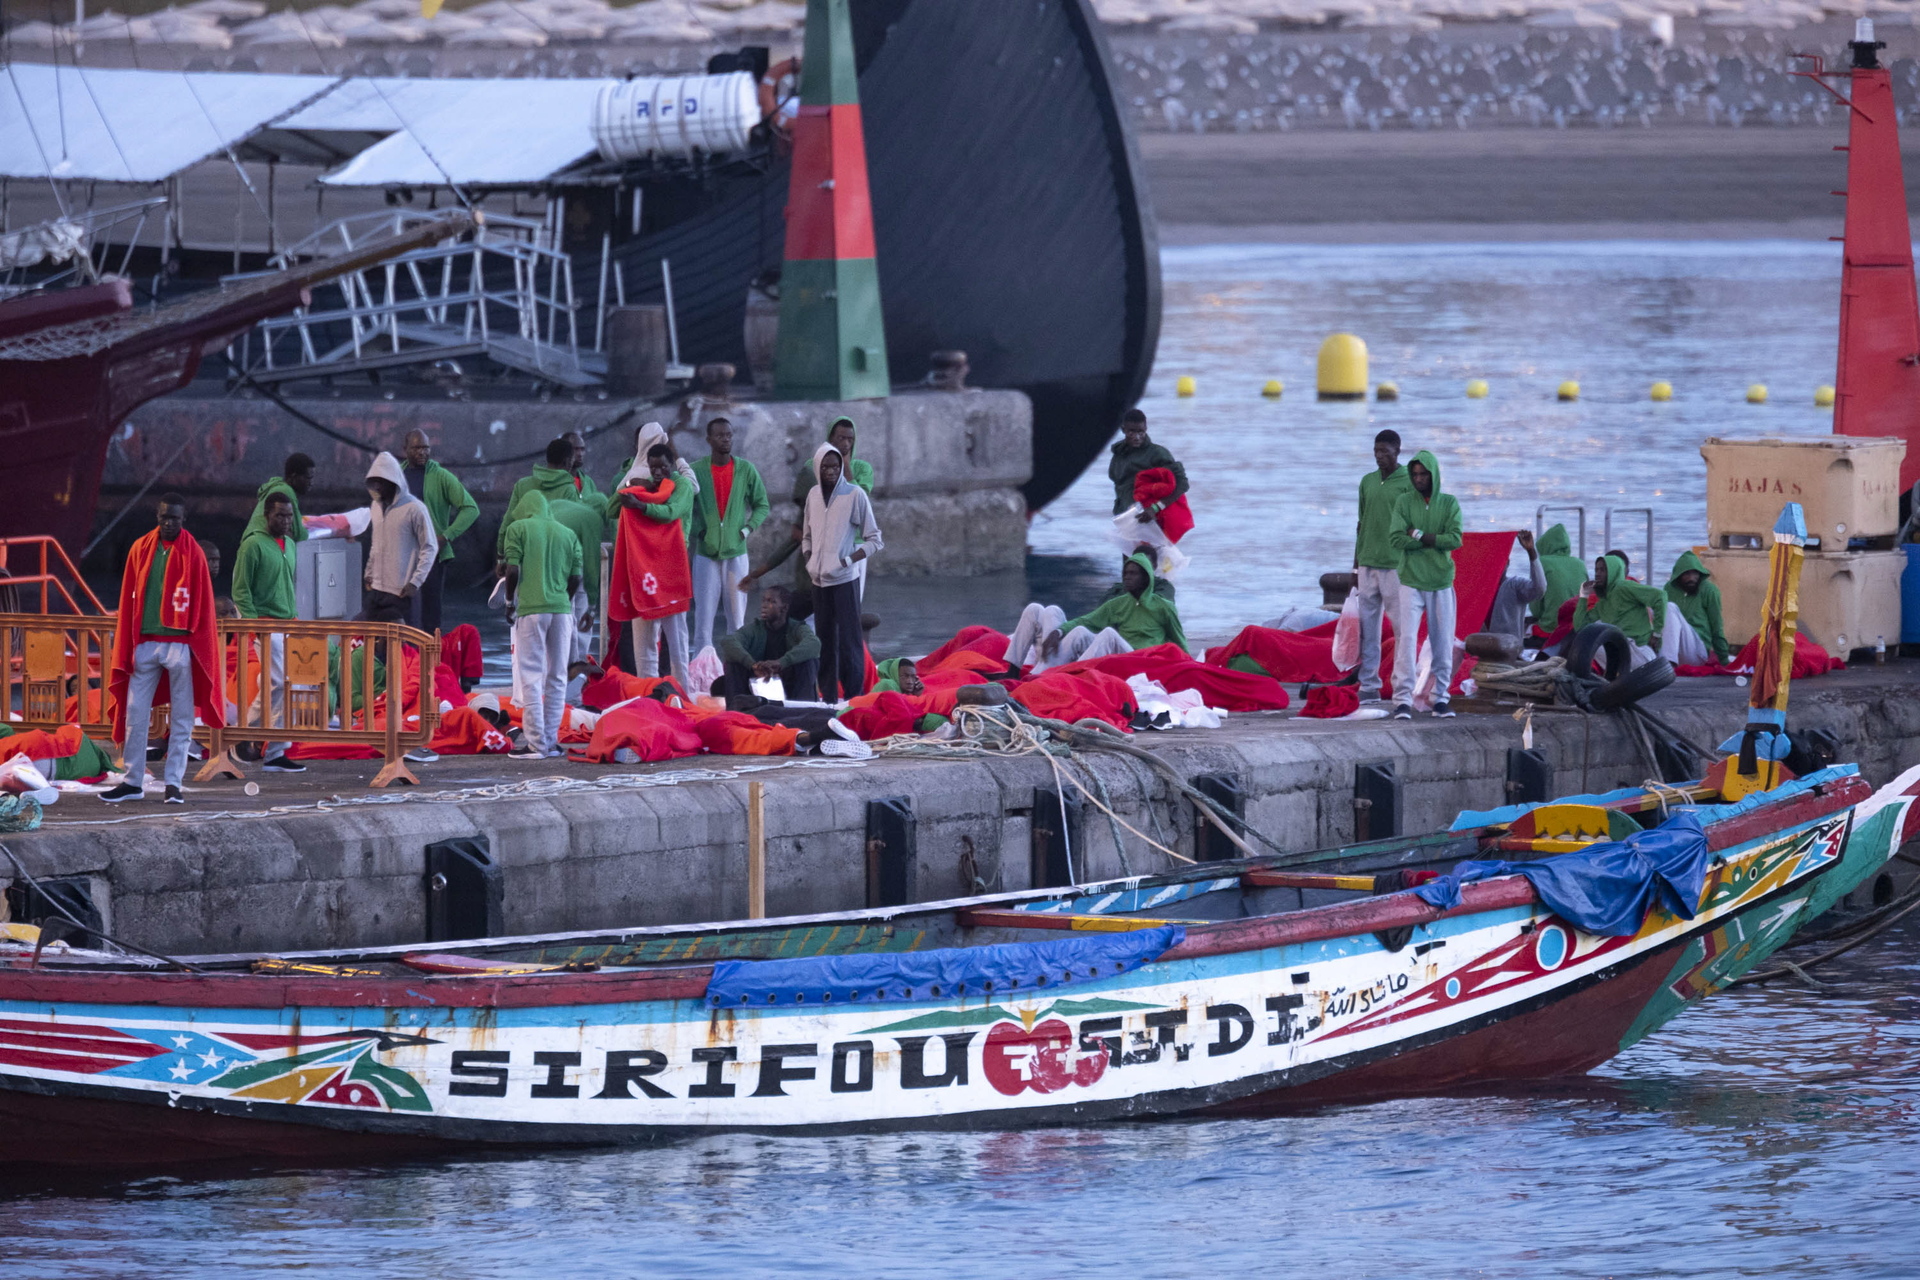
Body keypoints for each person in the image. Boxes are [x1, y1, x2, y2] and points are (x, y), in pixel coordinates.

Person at [102, 496, 222, 804]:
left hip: (180, 644)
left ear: (184, 520)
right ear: (158, 515)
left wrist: (197, 647)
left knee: (182, 719)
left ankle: (174, 783)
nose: (170, 523)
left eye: (176, 519)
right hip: (145, 642)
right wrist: (127, 646)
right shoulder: (139, 549)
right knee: (134, 713)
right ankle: (132, 781)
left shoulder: (194, 552)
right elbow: (127, 602)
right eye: (166, 517)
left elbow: (204, 604)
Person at [737, 417, 872, 602]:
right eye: (841, 438)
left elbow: (859, 503)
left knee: (850, 604)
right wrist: (756, 574)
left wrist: (846, 464)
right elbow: (793, 537)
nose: (846, 444)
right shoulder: (811, 469)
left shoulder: (862, 468)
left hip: (853, 545)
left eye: (850, 439)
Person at [502, 492, 584, 759]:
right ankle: (550, 742)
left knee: (531, 676)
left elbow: (512, 570)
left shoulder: (517, 528)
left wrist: (509, 602)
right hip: (562, 611)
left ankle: (535, 744)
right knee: (558, 677)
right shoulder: (567, 533)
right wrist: (563, 600)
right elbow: (576, 576)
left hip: (531, 611)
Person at [610, 442, 695, 693]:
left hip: (671, 569)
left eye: (663, 467)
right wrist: (630, 486)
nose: (658, 472)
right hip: (645, 567)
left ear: (672, 465)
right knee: (644, 639)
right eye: (654, 467)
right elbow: (613, 508)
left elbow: (671, 512)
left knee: (677, 639)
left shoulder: (683, 486)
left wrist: (642, 505)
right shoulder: (646, 486)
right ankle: (647, 692)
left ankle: (684, 693)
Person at [801, 442, 883, 701]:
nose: (831, 471)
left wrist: (847, 561)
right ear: (817, 468)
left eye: (835, 466)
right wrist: (809, 559)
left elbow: (875, 540)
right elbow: (806, 536)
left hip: (845, 580)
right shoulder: (813, 496)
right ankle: (828, 697)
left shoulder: (855, 494)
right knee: (824, 641)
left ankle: (854, 695)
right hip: (818, 581)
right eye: (825, 466)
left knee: (849, 642)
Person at [1011, 551, 1185, 673]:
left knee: (1108, 633)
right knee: (1079, 630)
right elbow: (1087, 620)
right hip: (1120, 657)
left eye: (1133, 574)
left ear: (1146, 577)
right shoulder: (1118, 603)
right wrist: (1059, 631)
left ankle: (1074, 674)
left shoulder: (1163, 606)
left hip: (1142, 660)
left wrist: (1190, 668)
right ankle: (1037, 672)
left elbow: (1180, 643)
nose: (1127, 577)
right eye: (1125, 573)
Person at [230, 491, 304, 772]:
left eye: (289, 515)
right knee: (277, 682)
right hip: (265, 624)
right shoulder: (252, 546)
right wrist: (252, 626)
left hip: (289, 623)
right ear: (266, 516)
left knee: (288, 684)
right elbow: (240, 589)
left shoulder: (290, 544)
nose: (286, 521)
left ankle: (271, 748)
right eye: (280, 515)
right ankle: (253, 740)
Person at [1387, 450, 1463, 719]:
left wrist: (1418, 535)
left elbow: (1454, 539)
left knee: (1443, 642)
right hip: (1410, 580)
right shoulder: (1404, 502)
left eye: (1423, 474)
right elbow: (1396, 538)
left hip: (1441, 581)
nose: (1419, 479)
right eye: (1415, 474)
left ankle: (1440, 698)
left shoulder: (1449, 503)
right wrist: (1432, 540)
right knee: (1406, 641)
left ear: (1433, 475)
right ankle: (1402, 701)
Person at [688, 417, 770, 655]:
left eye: (729, 435)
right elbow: (685, 509)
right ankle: (701, 672)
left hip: (737, 554)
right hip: (706, 554)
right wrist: (697, 531)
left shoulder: (745, 469)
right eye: (720, 435)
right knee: (704, 617)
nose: (726, 439)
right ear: (709, 439)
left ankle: (738, 667)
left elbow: (762, 504)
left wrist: (747, 529)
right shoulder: (696, 471)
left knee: (737, 619)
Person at [1353, 429, 1415, 704]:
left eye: (1385, 453)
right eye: (1376, 452)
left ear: (1397, 452)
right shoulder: (1367, 481)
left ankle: (1403, 688)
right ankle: (1368, 685)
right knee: (1367, 630)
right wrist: (1355, 565)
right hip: (1368, 564)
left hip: (1396, 566)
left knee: (1402, 630)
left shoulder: (1408, 484)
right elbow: (1361, 523)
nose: (1379, 457)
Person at [401, 429, 479, 635]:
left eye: (426, 447)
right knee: (401, 610)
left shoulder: (441, 476)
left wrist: (446, 536)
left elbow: (471, 508)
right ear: (405, 450)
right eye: (416, 448)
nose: (422, 452)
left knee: (430, 613)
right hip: (402, 554)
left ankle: (431, 660)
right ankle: (404, 659)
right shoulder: (396, 476)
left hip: (432, 554)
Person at [362, 452, 438, 626]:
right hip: (376, 590)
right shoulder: (375, 507)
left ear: (394, 480)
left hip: (402, 592)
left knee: (403, 646)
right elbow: (376, 544)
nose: (378, 486)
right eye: (374, 482)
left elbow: (430, 546)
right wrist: (369, 573)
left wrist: (415, 582)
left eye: (382, 481)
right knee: (373, 643)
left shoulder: (415, 509)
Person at [717, 585, 821, 701]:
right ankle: (737, 709)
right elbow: (729, 641)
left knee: (808, 661)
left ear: (784, 608)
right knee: (733, 662)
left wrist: (781, 662)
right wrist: (752, 665)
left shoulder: (797, 628)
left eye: (771, 601)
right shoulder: (756, 628)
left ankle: (803, 709)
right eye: (764, 601)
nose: (764, 606)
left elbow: (814, 643)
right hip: (760, 682)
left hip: (790, 685)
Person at [1570, 553, 1668, 665]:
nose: (1597, 574)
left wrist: (1657, 634)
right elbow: (1580, 626)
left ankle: (1620, 675)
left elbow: (1660, 596)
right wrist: (1584, 596)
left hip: (1640, 651)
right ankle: (1619, 676)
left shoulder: (1624, 587)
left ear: (1613, 571)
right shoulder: (1603, 602)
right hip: (1624, 650)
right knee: (1587, 639)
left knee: (1593, 642)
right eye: (1596, 570)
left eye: (1603, 570)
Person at [1107, 409, 1187, 521]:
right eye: (1131, 432)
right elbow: (1118, 486)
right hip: (1125, 520)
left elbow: (1182, 484)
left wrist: (1155, 508)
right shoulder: (1118, 454)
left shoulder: (1157, 453)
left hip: (1153, 521)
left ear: (1146, 429)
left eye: (1141, 432)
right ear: (1123, 430)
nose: (1137, 437)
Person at [1661, 551, 1731, 667]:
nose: (1691, 578)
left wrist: (1724, 660)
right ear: (1679, 575)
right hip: (1674, 650)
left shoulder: (1709, 590)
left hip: (1697, 651)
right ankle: (1666, 660)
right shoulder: (1669, 589)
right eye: (1686, 574)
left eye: (1695, 574)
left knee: (1670, 607)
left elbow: (1716, 626)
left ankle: (1667, 664)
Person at [1484, 530, 1547, 649]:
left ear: (1507, 563)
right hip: (1480, 651)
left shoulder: (1514, 586)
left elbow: (1539, 589)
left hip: (1508, 652)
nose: (1495, 566)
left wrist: (1531, 552)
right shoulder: (1479, 589)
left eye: (1499, 561)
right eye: (1491, 561)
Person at [242, 453, 314, 544]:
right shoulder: (286, 491)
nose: (311, 483)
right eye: (308, 478)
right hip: (261, 547)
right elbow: (300, 534)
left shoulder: (277, 487)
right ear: (294, 476)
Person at [1532, 522, 1587, 628]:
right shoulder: (1580, 563)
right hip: (1578, 628)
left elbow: (1536, 608)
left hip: (1551, 628)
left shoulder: (1542, 563)